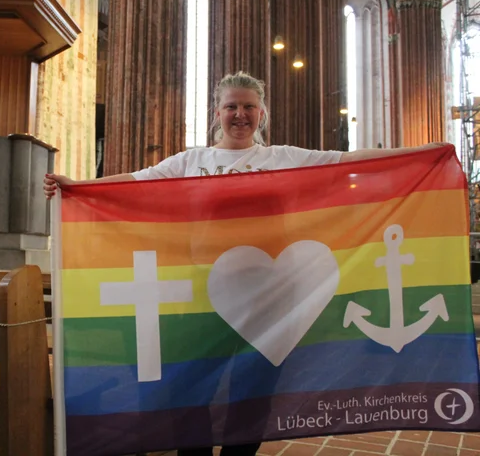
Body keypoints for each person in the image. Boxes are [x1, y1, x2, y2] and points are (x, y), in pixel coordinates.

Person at [43, 71, 445, 456]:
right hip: (201, 294)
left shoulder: (284, 157)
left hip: (269, 296)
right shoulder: (191, 161)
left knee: (254, 387)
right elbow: (136, 181)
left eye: (249, 107)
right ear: (216, 113)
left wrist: (422, 153)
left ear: (262, 113)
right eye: (231, 106)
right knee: (192, 383)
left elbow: (351, 159)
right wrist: (78, 186)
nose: (240, 114)